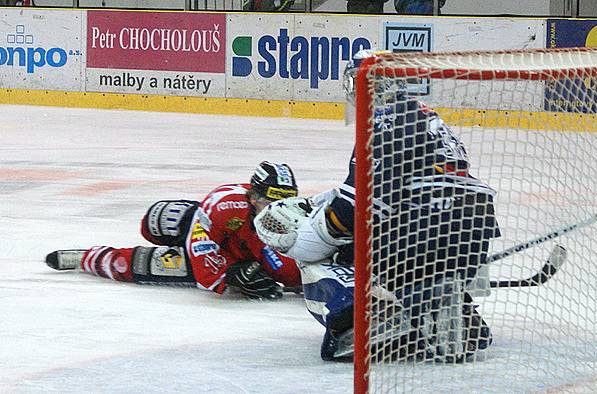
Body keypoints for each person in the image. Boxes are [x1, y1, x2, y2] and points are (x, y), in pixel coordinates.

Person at [256, 50, 500, 362]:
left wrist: (307, 239)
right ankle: (446, 308)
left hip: (425, 230)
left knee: (334, 251)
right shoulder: (425, 115)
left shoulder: (378, 124)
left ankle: (371, 321)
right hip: (474, 230)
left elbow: (352, 211)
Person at [45, 161, 302, 300]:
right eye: (274, 198)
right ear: (254, 196)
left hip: (243, 252)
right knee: (156, 220)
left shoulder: (294, 214)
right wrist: (225, 277)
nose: (280, 206)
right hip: (203, 233)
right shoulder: (227, 204)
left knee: (135, 265)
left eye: (286, 198)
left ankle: (96, 257)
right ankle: (88, 257)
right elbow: (200, 243)